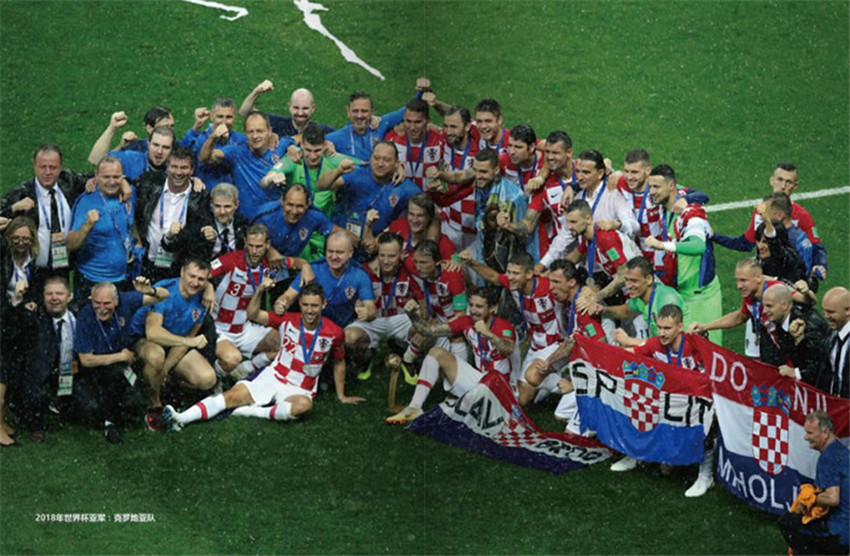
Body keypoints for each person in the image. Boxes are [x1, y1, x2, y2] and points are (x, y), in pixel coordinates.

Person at [164, 280, 364, 431]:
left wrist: (341, 395)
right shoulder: (287, 320)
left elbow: (339, 361)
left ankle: (253, 412)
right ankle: (181, 418)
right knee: (230, 397)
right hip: (273, 376)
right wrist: (259, 291)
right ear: (300, 304)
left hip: (300, 388)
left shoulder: (335, 332)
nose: (310, 310)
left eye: (315, 305)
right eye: (305, 305)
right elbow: (253, 314)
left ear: (324, 304)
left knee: (303, 406)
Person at [608, 304, 716, 498]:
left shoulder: (694, 346)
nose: (662, 333)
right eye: (659, 327)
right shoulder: (656, 344)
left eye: (667, 328)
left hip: (696, 402)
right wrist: (601, 351)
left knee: (707, 419)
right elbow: (631, 353)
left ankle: (706, 476)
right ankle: (636, 454)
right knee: (639, 402)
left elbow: (713, 375)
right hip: (670, 402)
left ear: (680, 327)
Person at [386, 286, 517, 424]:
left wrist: (488, 333)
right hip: (480, 381)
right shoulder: (466, 321)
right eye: (471, 305)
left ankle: (467, 404)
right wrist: (412, 315)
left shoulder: (503, 326)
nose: (473, 310)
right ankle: (414, 408)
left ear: (492, 308)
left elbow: (507, 349)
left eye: (479, 306)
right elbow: (429, 331)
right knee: (436, 353)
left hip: (502, 389)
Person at [209, 223, 313, 380]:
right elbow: (203, 273)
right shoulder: (232, 259)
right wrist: (208, 288)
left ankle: (245, 369)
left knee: (284, 344)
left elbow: (296, 262)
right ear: (245, 242)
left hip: (244, 328)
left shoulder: (270, 264)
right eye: (250, 245)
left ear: (267, 245)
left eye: (259, 246)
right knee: (232, 359)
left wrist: (305, 266)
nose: (254, 251)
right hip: (220, 326)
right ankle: (215, 380)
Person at [73, 278, 169, 444]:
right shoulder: (85, 316)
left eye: (107, 303)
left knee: (135, 405)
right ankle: (110, 423)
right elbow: (86, 360)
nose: (101, 308)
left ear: (116, 301)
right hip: (96, 369)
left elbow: (164, 295)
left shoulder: (126, 300)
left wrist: (150, 291)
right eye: (97, 303)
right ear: (91, 300)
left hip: (120, 366)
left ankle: (114, 413)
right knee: (90, 409)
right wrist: (121, 356)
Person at [460, 249, 563, 400]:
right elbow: (493, 276)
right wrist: (470, 262)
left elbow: (570, 292)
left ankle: (572, 387)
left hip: (557, 343)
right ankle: (553, 381)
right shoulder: (514, 285)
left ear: (529, 274)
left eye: (515, 273)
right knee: (522, 399)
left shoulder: (548, 288)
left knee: (533, 376)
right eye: (508, 272)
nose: (510, 277)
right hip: (536, 345)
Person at [131, 259, 217, 432]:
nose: (195, 283)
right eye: (192, 276)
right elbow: (153, 332)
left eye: (201, 279)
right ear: (182, 273)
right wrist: (188, 342)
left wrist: (165, 370)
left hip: (175, 343)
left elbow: (188, 336)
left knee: (208, 379)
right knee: (156, 356)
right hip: (144, 340)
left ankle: (164, 383)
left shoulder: (204, 297)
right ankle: (154, 404)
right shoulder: (164, 290)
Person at [713, 163, 828, 289]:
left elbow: (815, 246)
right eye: (780, 180)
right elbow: (746, 243)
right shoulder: (761, 211)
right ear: (772, 180)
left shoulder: (802, 215)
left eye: (788, 182)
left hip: (792, 283)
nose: (783, 186)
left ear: (795, 186)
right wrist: (715, 236)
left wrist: (820, 265)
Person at [643, 164, 723, 344]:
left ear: (672, 186)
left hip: (701, 295)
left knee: (707, 350)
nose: (651, 192)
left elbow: (698, 246)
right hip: (681, 293)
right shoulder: (665, 204)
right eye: (650, 186)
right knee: (683, 351)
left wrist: (663, 245)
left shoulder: (691, 213)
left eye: (656, 187)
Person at [0, 144, 90, 292]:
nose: (47, 172)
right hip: (33, 272)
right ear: (34, 165)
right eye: (43, 167)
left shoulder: (69, 182)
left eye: (52, 167)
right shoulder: (21, 193)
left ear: (60, 167)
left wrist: (124, 182)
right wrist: (13, 209)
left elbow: (102, 174)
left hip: (64, 268)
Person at [689, 258, 812, 357]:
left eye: (743, 280)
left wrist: (807, 292)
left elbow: (807, 300)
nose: (739, 286)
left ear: (758, 277)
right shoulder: (750, 297)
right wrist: (705, 326)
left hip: (799, 347)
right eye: (737, 280)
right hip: (778, 349)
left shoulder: (777, 289)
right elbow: (740, 316)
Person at [539, 149, 639, 270]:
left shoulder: (613, 193)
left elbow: (635, 226)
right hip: (589, 267)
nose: (579, 177)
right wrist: (543, 263)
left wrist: (616, 224)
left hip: (616, 266)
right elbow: (564, 236)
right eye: (578, 171)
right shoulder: (577, 196)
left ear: (600, 173)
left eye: (586, 172)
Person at [345, 232, 421, 382]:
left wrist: (416, 307)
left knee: (423, 329)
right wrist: (357, 305)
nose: (386, 261)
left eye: (391, 256)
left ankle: (407, 359)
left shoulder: (410, 271)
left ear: (401, 254)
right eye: (382, 255)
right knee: (350, 338)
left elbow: (423, 299)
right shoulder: (365, 271)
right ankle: (367, 357)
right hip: (373, 319)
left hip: (401, 319)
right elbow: (352, 295)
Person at [317, 141, 420, 248]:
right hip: (342, 244)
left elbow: (427, 209)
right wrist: (338, 171)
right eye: (376, 158)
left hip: (376, 249)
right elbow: (321, 185)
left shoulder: (404, 187)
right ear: (370, 158)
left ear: (396, 163)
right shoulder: (356, 172)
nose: (380, 164)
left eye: (387, 160)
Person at [134, 146, 214, 282]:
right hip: (146, 262)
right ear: (167, 167)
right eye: (174, 167)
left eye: (184, 168)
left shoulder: (200, 197)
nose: (178, 172)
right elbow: (124, 183)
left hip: (177, 267)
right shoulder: (149, 184)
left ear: (192, 170)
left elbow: (203, 232)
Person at [12, 276, 76, 443]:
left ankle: (65, 405)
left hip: (73, 372)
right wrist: (18, 303)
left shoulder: (78, 316)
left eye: (59, 293)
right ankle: (35, 424)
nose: (54, 298)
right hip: (42, 375)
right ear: (43, 297)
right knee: (36, 394)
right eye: (49, 294)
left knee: (88, 406)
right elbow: (15, 322)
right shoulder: (35, 317)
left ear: (69, 297)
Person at [198, 110, 295, 220]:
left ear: (269, 131)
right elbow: (204, 158)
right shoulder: (237, 153)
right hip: (247, 222)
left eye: (259, 131)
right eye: (250, 132)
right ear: (245, 133)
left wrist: (292, 147)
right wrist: (213, 137)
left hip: (275, 219)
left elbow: (302, 138)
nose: (255, 136)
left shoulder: (281, 147)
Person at [67, 156, 136, 309]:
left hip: (122, 279)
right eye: (106, 177)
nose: (112, 182)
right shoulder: (86, 202)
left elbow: (131, 224)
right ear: (96, 176)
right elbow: (71, 244)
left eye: (116, 177)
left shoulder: (128, 196)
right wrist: (87, 225)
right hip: (92, 280)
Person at [778, 411, 849, 555]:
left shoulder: (827, 458)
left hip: (840, 532)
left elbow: (833, 499)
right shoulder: (843, 451)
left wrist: (811, 498)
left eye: (810, 433)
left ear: (825, 432)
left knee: (787, 522)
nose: (806, 437)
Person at [274, 231, 375, 329]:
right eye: (330, 251)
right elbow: (288, 296)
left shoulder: (360, 276)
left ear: (350, 253)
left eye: (339, 252)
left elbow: (370, 307)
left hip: (342, 329)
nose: (334, 257)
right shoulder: (312, 271)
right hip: (312, 326)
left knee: (353, 336)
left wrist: (368, 313)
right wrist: (281, 304)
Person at [585, 256, 688, 348]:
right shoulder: (641, 297)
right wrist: (603, 310)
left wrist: (629, 341)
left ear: (649, 279)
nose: (628, 286)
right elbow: (626, 311)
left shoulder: (666, 300)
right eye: (626, 280)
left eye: (634, 281)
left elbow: (672, 342)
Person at [504, 130, 574, 262]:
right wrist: (507, 225)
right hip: (561, 254)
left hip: (590, 249)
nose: (550, 157)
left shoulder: (584, 174)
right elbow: (527, 225)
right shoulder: (543, 187)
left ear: (569, 153)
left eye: (555, 153)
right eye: (547, 152)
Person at [760, 284, 833, 390]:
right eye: (764, 306)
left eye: (769, 306)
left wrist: (796, 373)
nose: (764, 311)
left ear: (784, 306)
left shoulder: (807, 325)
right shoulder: (781, 320)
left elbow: (821, 364)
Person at [326, 82, 425, 159]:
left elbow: (404, 112)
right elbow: (318, 143)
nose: (359, 116)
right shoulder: (339, 137)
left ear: (371, 112)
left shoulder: (380, 125)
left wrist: (422, 91)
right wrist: (325, 145)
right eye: (355, 111)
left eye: (364, 111)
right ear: (348, 112)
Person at [252, 183, 339, 261]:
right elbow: (250, 240)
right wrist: (269, 251)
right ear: (282, 201)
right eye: (290, 205)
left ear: (308, 204)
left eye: (300, 206)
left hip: (291, 263)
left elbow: (338, 232)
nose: (294, 211)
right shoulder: (265, 216)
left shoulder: (314, 216)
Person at [181, 98, 247, 189]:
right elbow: (182, 153)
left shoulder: (240, 139)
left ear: (235, 118)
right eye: (220, 116)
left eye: (229, 117)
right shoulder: (201, 139)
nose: (224, 122)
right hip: (205, 192)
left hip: (232, 193)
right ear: (212, 116)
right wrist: (213, 136)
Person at [88, 111, 174, 181]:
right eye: (155, 145)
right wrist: (112, 128)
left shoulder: (177, 169)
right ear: (148, 144)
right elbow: (96, 160)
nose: (159, 151)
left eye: (165, 147)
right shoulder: (132, 159)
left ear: (172, 148)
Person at [384, 193, 455, 277]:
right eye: (411, 214)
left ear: (429, 217)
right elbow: (378, 243)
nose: (414, 220)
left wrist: (458, 260)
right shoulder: (399, 225)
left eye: (420, 215)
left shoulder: (443, 242)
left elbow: (457, 260)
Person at [385, 97, 445, 190]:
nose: (412, 127)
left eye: (418, 122)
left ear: (427, 121)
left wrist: (441, 176)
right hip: (400, 197)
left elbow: (461, 122)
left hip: (428, 197)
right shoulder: (391, 140)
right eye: (408, 121)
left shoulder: (440, 141)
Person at [239, 81, 335, 138]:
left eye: (305, 108)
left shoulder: (322, 131)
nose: (300, 113)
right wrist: (257, 91)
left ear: (313, 108)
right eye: (296, 108)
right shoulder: (277, 123)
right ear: (289, 106)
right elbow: (244, 112)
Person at [201, 183, 249, 260]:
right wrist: (206, 240)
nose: (222, 212)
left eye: (227, 206)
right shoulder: (201, 223)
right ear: (211, 204)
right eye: (217, 206)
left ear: (236, 205)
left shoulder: (243, 224)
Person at [498, 123, 544, 191]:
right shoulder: (503, 161)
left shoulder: (546, 161)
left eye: (518, 147)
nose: (512, 152)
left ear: (531, 147)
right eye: (510, 145)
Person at [822, 287, 849, 399]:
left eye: (831, 312)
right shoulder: (832, 334)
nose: (826, 316)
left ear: (848, 310)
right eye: (824, 311)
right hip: (835, 404)